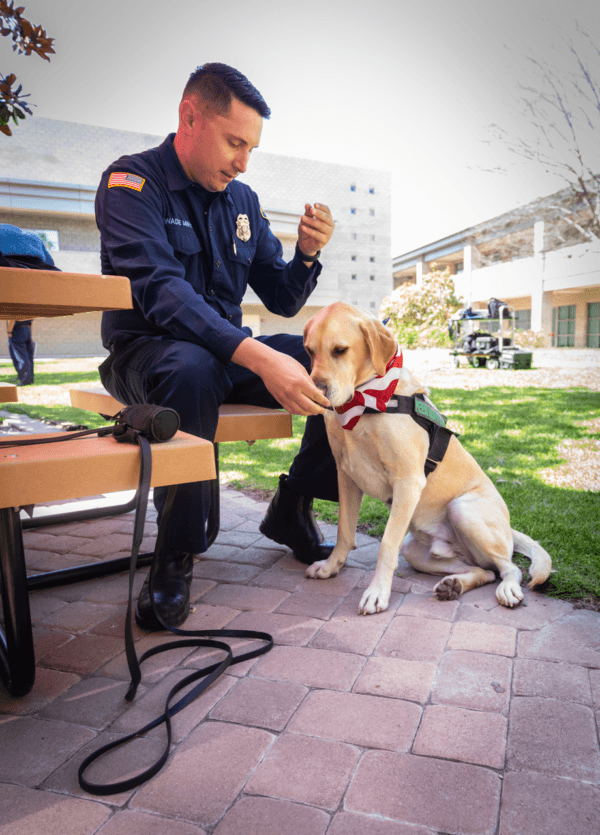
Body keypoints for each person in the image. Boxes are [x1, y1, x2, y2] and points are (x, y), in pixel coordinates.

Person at [96, 62, 340, 631]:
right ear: (189, 117)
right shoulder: (131, 184)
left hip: (223, 354)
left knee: (333, 363)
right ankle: (176, 555)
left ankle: (294, 503)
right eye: (235, 142)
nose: (243, 161)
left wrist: (304, 254)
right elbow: (161, 291)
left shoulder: (243, 201)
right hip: (148, 355)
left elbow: (280, 298)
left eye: (251, 148)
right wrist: (256, 356)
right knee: (191, 365)